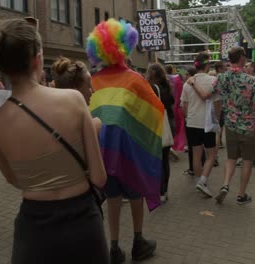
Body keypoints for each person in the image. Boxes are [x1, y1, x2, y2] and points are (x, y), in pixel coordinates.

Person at [0, 19, 109, 263]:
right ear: (37, 59)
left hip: (34, 228)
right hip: (83, 224)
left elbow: (14, 179)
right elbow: (99, 178)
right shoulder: (73, 100)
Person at [87, 19, 164, 264]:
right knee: (136, 194)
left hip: (104, 152)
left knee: (113, 198)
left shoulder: (94, 81)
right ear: (126, 46)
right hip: (131, 151)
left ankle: (114, 247)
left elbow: (90, 114)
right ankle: (138, 242)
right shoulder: (135, 79)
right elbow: (155, 110)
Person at [213, 47, 255, 205]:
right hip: (248, 125)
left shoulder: (221, 78)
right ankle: (241, 195)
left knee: (231, 158)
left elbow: (214, 93)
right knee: (247, 160)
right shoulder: (252, 81)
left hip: (230, 124)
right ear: (241, 58)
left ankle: (225, 184)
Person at [182, 52, 221, 198]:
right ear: (207, 66)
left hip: (192, 122)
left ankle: (199, 181)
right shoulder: (214, 80)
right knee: (212, 154)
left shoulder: (188, 83)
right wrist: (218, 120)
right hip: (208, 122)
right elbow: (218, 104)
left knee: (196, 154)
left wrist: (188, 118)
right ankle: (203, 181)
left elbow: (184, 107)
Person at [50, 56, 102, 133]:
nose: (93, 91)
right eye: (89, 86)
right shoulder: (94, 124)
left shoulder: (50, 120)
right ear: (75, 91)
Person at [147, 63, 174, 203]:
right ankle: (164, 190)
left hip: (157, 128)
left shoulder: (152, 88)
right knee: (164, 161)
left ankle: (159, 190)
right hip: (168, 126)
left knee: (157, 161)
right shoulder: (167, 87)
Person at [165, 64, 186, 152]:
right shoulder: (178, 80)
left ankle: (169, 144)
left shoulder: (164, 80)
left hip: (167, 108)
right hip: (177, 107)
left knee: (168, 127)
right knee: (178, 127)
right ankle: (178, 144)